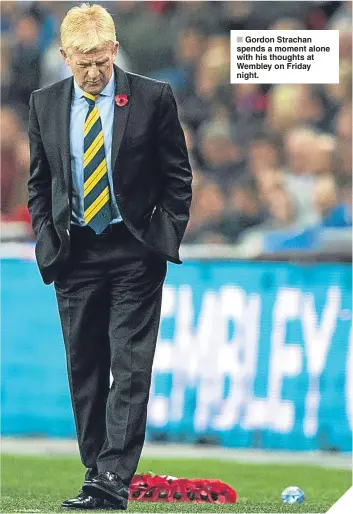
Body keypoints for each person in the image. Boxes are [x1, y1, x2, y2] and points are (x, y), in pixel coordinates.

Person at [27, 3, 192, 510]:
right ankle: (97, 469)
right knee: (86, 368)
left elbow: (178, 177)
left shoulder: (151, 98)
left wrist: (162, 236)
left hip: (134, 250)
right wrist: (46, 238)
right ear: (64, 57)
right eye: (83, 64)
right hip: (75, 252)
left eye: (101, 60)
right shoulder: (44, 104)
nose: (94, 73)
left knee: (131, 364)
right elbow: (40, 184)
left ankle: (113, 478)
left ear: (114, 49)